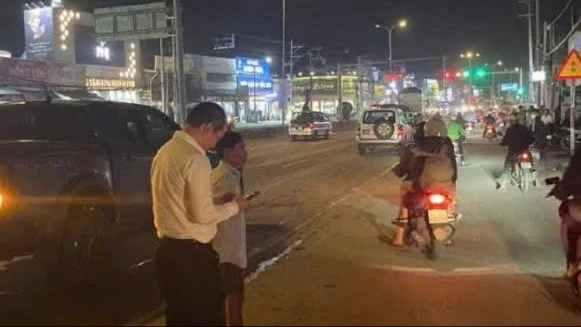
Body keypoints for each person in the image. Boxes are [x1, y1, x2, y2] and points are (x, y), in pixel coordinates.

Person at [151, 102, 248, 326]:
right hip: (192, 258)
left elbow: (177, 200)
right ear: (206, 127)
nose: (215, 145)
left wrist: (214, 201)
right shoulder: (195, 158)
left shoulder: (165, 152)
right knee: (206, 318)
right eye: (216, 137)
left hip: (167, 254)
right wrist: (235, 207)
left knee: (179, 318)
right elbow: (202, 216)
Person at [391, 115, 458, 246]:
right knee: (450, 199)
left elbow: (403, 167)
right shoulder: (447, 145)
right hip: (445, 184)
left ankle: (399, 237)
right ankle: (446, 224)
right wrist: (452, 181)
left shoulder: (416, 144)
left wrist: (399, 171)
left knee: (405, 199)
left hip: (418, 184)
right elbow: (454, 167)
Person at [211, 131, 248, 326]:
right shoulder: (224, 177)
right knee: (231, 303)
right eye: (240, 148)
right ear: (227, 152)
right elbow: (212, 212)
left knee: (235, 301)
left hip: (231, 251)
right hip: (226, 253)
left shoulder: (231, 175)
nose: (245, 153)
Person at [496, 113, 535, 190]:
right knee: (531, 161)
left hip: (513, 151)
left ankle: (502, 182)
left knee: (507, 165)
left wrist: (502, 143)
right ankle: (533, 173)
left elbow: (505, 140)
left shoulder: (510, 130)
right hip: (524, 150)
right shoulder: (525, 129)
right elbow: (532, 139)